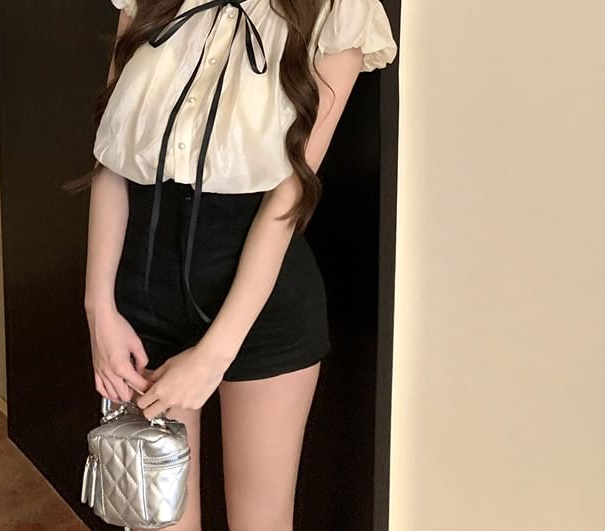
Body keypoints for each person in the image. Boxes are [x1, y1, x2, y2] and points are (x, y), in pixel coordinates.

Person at [74, 0, 397, 529]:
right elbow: (110, 156)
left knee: (261, 522)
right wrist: (99, 309)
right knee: (155, 516)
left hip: (261, 309)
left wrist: (213, 355)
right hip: (142, 303)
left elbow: (288, 200)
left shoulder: (338, 9)